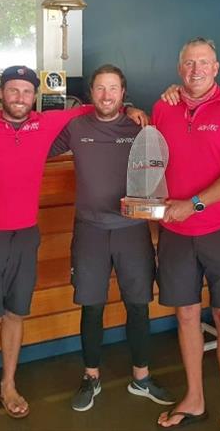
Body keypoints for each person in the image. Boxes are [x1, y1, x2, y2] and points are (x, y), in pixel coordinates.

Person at [0, 65, 147, 430]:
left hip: (27, 234)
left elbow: (96, 110)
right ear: (0, 93)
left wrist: (138, 110)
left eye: (26, 92)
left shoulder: (45, 123)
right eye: (12, 91)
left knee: (15, 316)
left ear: (34, 96)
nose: (19, 98)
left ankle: (8, 388)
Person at [49, 64, 175, 413]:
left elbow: (161, 164)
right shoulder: (76, 126)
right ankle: (91, 376)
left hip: (131, 231)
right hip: (89, 230)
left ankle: (142, 377)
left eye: (113, 89)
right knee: (92, 307)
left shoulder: (139, 127)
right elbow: (37, 150)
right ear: (91, 94)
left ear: (123, 93)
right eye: (100, 89)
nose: (106, 95)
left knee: (138, 305)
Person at [153, 37, 220, 431]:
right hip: (175, 232)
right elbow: (153, 164)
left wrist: (193, 204)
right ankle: (195, 397)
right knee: (186, 317)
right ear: (180, 68)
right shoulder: (163, 106)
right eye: (188, 64)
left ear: (216, 68)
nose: (195, 70)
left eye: (203, 63)